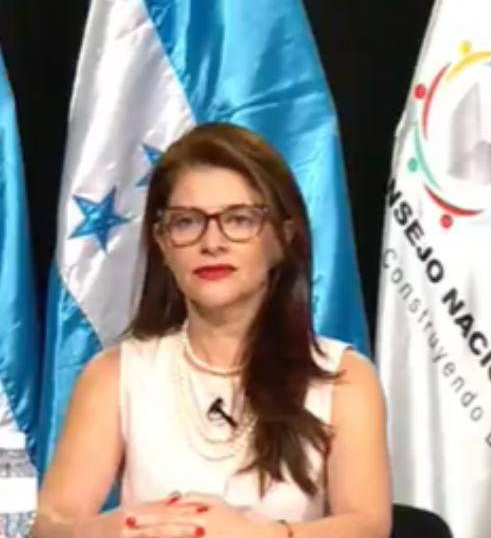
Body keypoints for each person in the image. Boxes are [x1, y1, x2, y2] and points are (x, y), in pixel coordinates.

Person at [34, 124, 391, 537]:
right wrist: (118, 530)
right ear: (163, 243)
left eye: (238, 219)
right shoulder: (114, 375)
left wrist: (252, 535)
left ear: (282, 237)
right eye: (187, 222)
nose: (212, 242)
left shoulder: (344, 377)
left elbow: (367, 527)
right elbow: (51, 524)